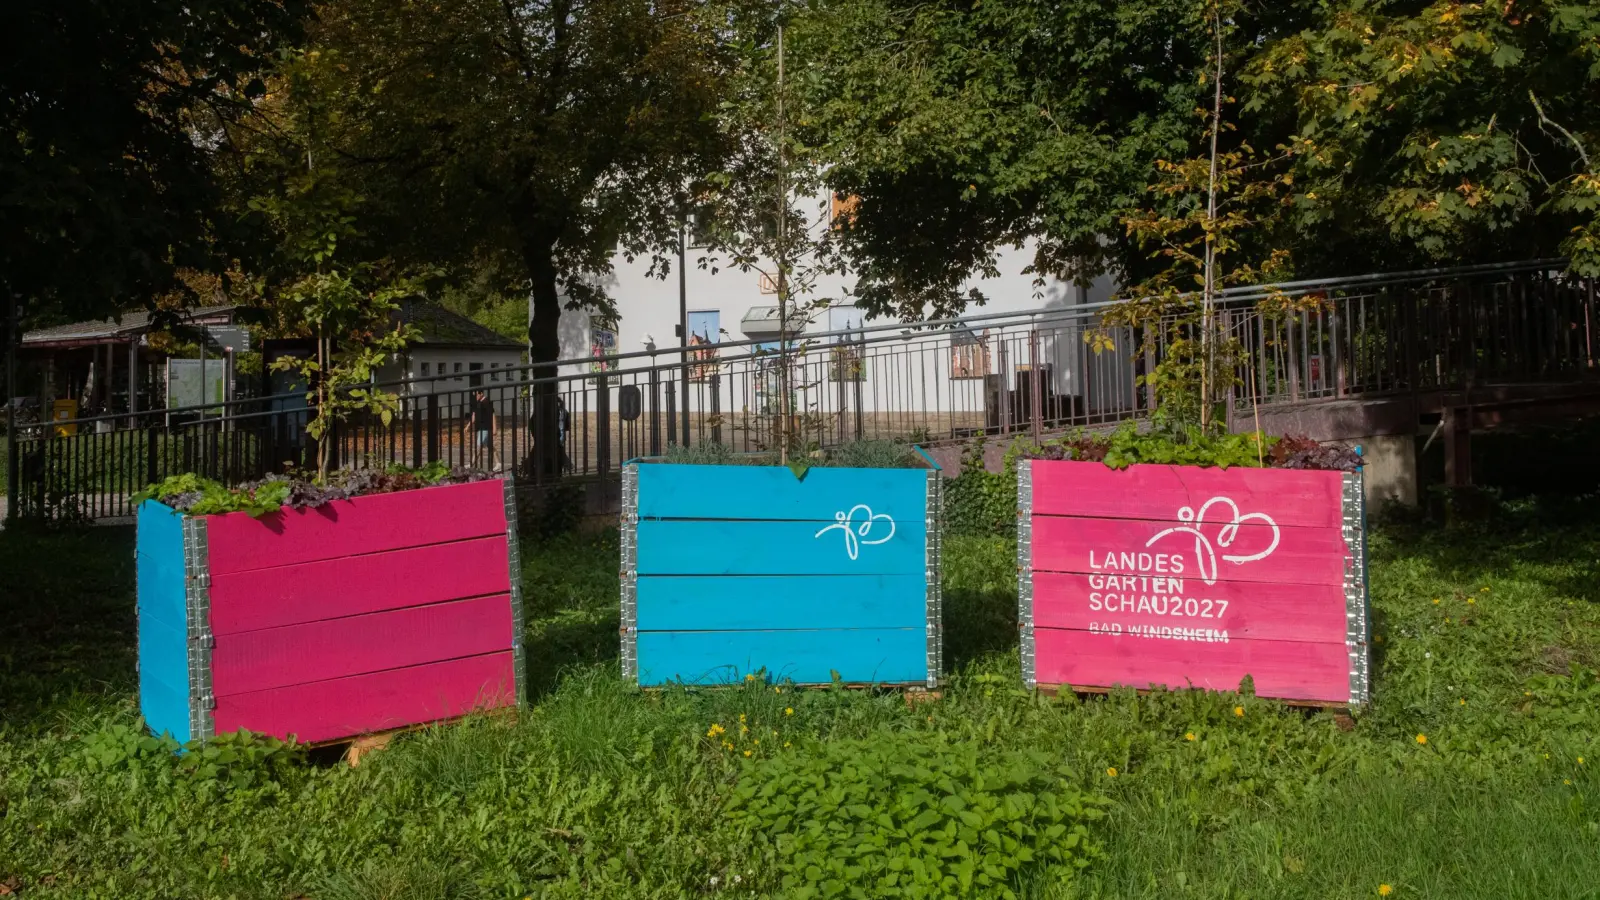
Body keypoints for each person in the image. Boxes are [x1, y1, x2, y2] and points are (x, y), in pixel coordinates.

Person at [463, 388, 496, 471]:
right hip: (480, 428)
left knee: (479, 446)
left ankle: (471, 463)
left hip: (485, 427)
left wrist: (494, 428)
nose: (476, 396)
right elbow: (474, 417)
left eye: (477, 394)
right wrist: (468, 426)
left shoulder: (486, 402)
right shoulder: (477, 404)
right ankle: (498, 463)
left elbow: (492, 415)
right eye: (475, 395)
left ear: (481, 394)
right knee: (490, 446)